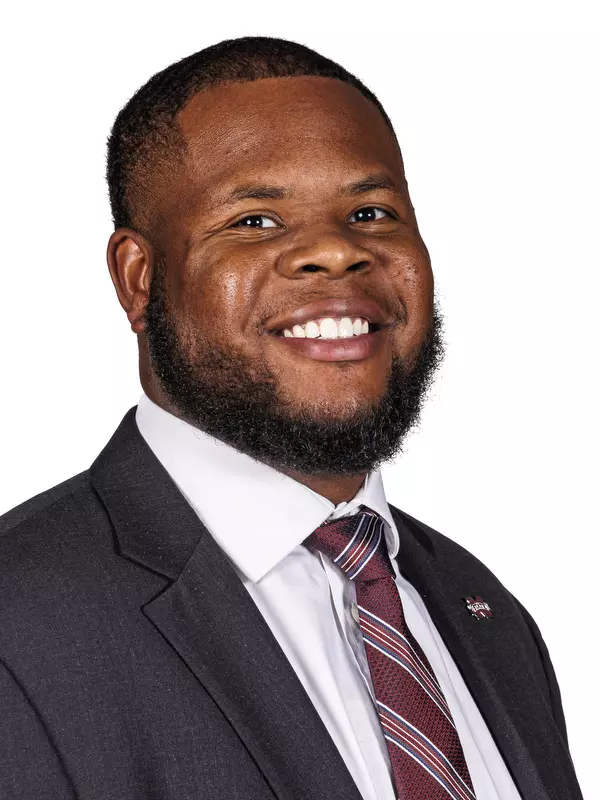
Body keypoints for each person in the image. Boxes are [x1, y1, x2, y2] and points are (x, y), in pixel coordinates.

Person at [0, 36, 582, 800]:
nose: (337, 253)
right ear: (140, 281)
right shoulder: (20, 624)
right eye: (255, 221)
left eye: (371, 212)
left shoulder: (484, 612)